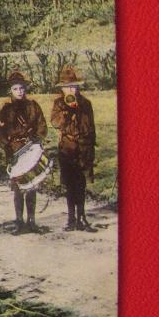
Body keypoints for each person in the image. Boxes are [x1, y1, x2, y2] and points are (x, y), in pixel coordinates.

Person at [0, 70, 49, 235]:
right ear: (10, 91)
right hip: (15, 149)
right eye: (15, 89)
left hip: (31, 147)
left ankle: (31, 221)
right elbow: (2, 133)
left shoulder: (33, 106)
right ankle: (19, 222)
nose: (19, 91)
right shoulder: (6, 110)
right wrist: (8, 151)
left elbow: (42, 125)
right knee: (18, 187)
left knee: (32, 184)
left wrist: (38, 138)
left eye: (21, 88)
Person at [51, 65, 98, 232]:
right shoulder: (59, 103)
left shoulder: (86, 104)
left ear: (78, 87)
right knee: (70, 184)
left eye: (73, 87)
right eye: (67, 87)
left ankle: (82, 217)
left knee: (81, 184)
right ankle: (71, 219)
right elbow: (55, 123)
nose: (70, 90)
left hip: (83, 148)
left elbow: (91, 127)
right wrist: (67, 111)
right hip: (68, 148)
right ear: (62, 89)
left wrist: (91, 149)